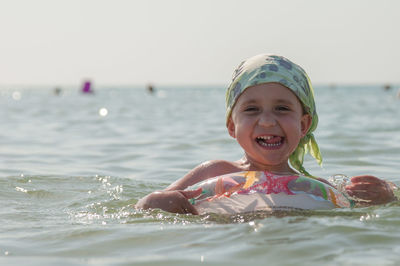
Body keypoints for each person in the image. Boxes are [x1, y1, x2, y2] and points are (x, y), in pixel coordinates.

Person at [136, 54, 397, 214]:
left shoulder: (319, 190)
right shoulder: (214, 172)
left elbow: (359, 213)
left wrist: (385, 197)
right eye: (251, 109)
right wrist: (163, 201)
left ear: (304, 125)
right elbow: (146, 206)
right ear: (231, 126)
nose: (268, 121)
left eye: (282, 108)